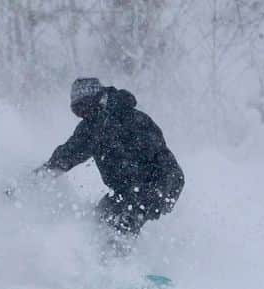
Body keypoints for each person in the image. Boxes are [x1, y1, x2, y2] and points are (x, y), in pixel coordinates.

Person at [40, 77, 184, 256]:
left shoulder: (133, 120)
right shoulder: (90, 129)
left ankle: (120, 267)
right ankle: (97, 261)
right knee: (99, 218)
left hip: (160, 182)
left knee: (126, 217)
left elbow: (162, 159)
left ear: (99, 99)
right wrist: (36, 180)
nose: (84, 114)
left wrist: (158, 190)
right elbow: (65, 157)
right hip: (126, 190)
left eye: (86, 107)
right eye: (78, 111)